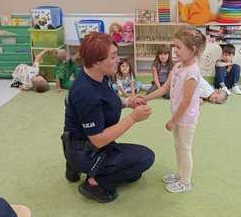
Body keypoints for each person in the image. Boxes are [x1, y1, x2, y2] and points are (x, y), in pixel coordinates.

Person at [62, 32, 154, 203]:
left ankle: (76, 165)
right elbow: (98, 140)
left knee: (134, 175)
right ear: (97, 61)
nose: (118, 60)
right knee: (145, 158)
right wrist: (133, 117)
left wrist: (127, 102)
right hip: (88, 148)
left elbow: (107, 100)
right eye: (113, 57)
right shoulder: (85, 92)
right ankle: (93, 183)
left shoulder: (97, 76)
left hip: (84, 143)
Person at [144, 28, 206, 193]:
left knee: (184, 148)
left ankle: (186, 181)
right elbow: (164, 88)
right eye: (174, 46)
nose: (174, 50)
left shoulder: (192, 72)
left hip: (186, 118)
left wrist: (173, 121)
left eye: (178, 47)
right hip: (178, 116)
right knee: (178, 146)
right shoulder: (178, 66)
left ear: (191, 50)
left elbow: (186, 102)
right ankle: (180, 174)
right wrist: (145, 98)